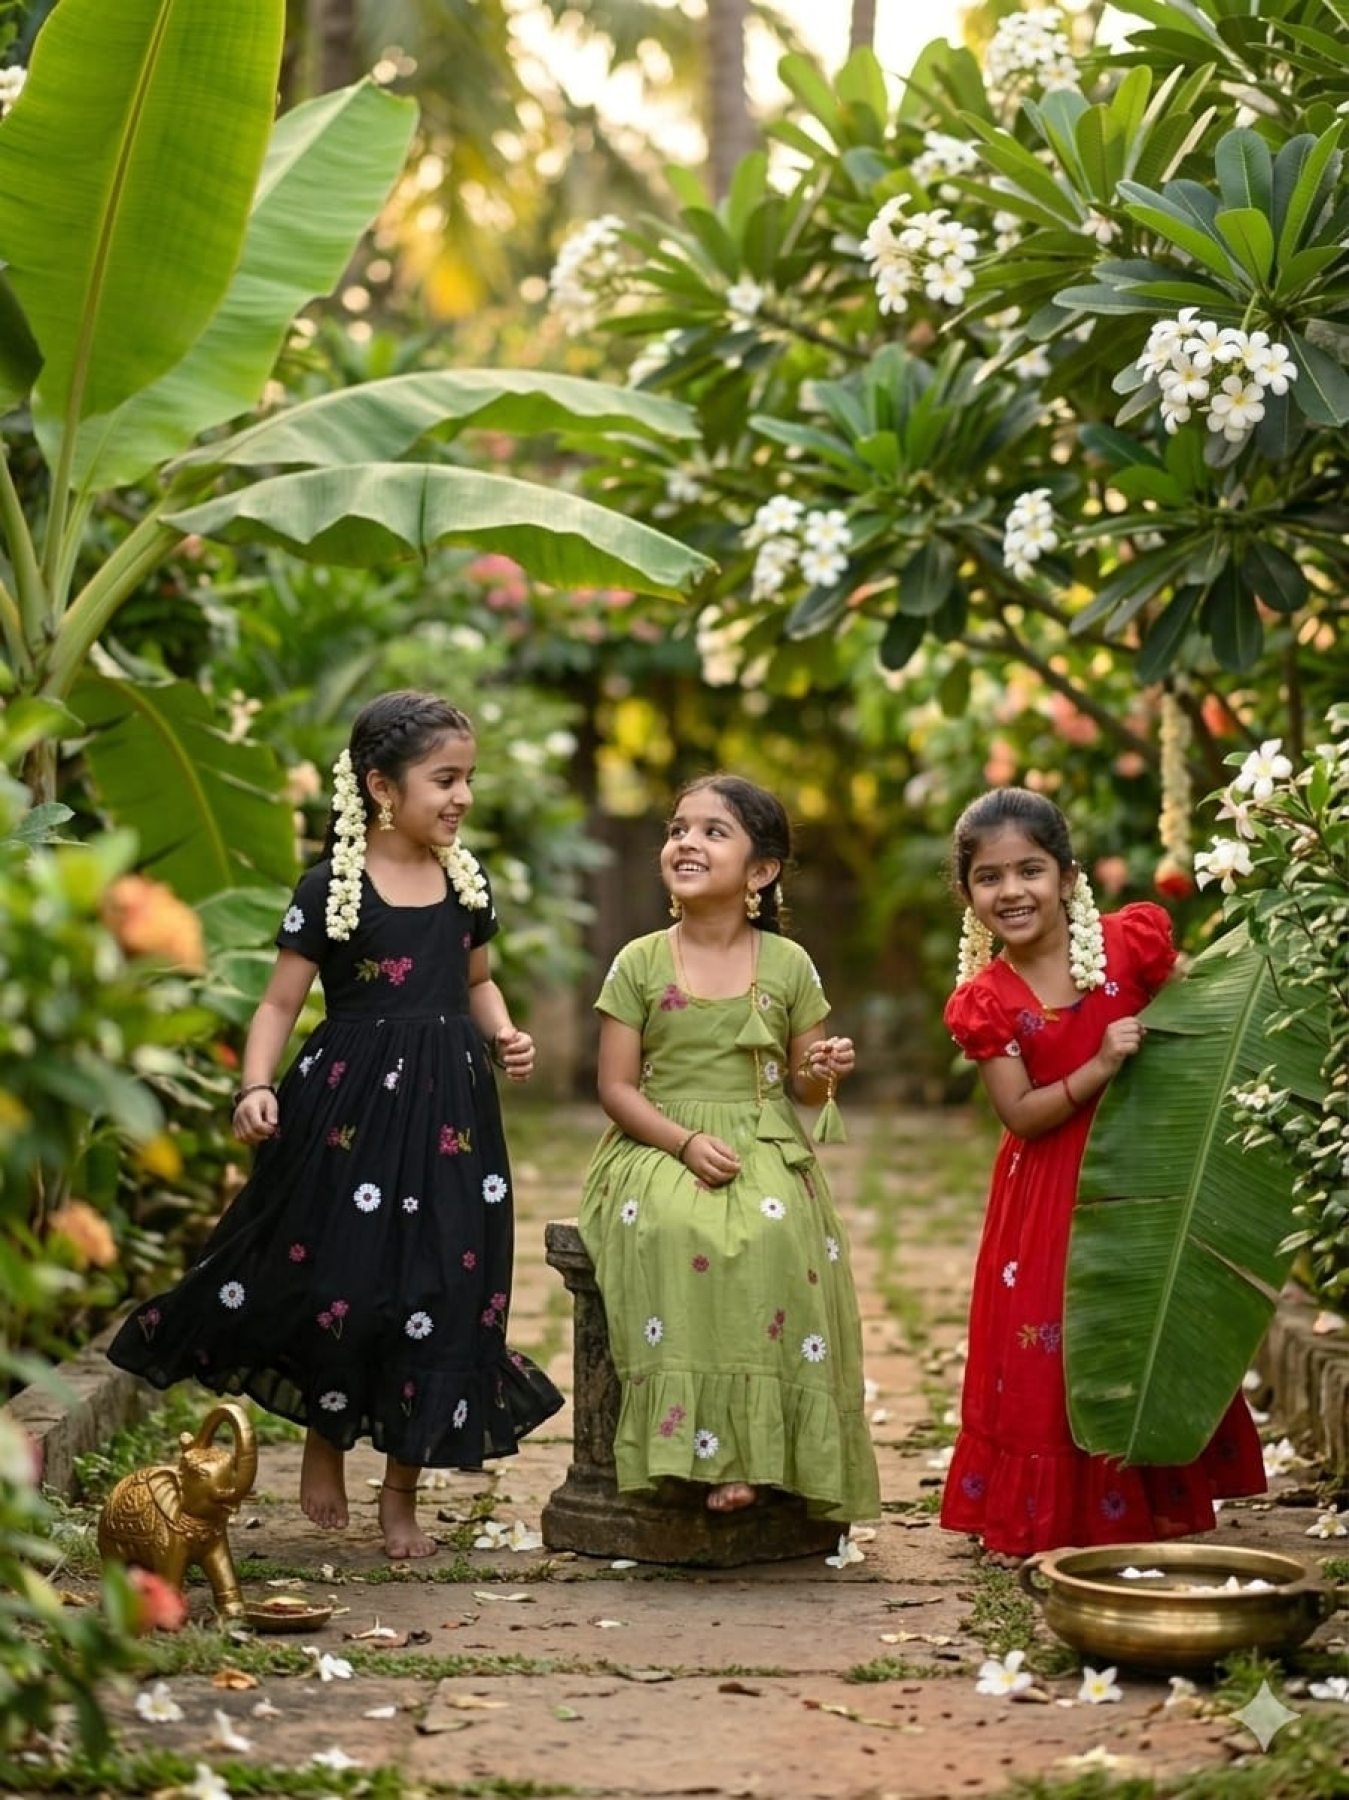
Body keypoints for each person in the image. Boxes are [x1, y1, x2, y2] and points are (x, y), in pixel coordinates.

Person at [108, 691, 562, 1559]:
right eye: (445, 779)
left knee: (439, 1288)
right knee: (341, 1282)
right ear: (381, 788)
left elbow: (476, 982)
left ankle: (401, 1493)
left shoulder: (465, 883)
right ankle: (325, 1441)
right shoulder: (331, 889)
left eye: (468, 778)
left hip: (451, 1119)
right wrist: (253, 1086)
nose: (463, 796)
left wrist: (504, 1033)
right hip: (349, 1113)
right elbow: (279, 1003)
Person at [939, 786, 1265, 1560]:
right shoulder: (985, 1000)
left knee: (1144, 1316)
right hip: (1050, 1195)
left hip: (1150, 1173)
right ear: (967, 894)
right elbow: (1020, 1114)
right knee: (1055, 1337)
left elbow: (1214, 1009)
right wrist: (1099, 1065)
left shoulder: (1128, 946)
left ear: (1068, 878)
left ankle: (1144, 1491)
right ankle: (1054, 1508)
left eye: (1029, 870)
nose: (1011, 891)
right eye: (988, 877)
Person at [578, 774, 880, 1525]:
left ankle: (760, 1453)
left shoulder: (789, 965)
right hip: (655, 1139)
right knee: (675, 1226)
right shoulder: (639, 961)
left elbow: (804, 1090)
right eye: (678, 828)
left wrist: (824, 1069)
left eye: (713, 832)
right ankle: (693, 1447)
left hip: (763, 1138)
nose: (686, 842)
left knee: (776, 1233)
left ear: (761, 871)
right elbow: (615, 1088)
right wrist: (682, 1143)